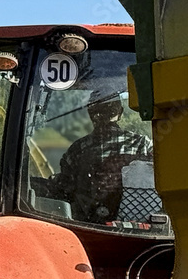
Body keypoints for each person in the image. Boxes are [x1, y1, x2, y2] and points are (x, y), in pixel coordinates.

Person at [53, 89, 152, 223]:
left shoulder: (77, 149)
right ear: (120, 113)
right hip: (135, 224)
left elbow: (64, 191)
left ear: (91, 114)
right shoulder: (143, 144)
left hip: (86, 224)